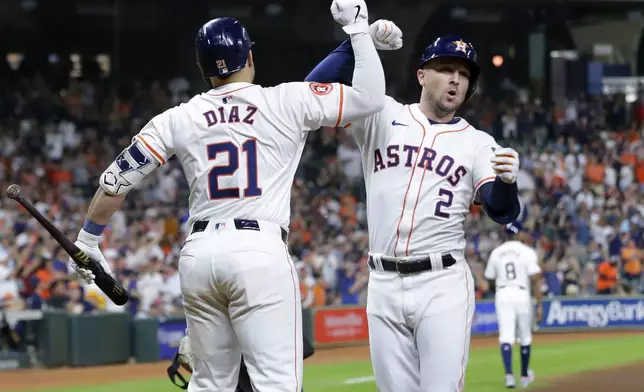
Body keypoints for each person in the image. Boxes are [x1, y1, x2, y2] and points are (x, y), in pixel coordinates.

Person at [67, 0, 386, 390]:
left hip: (200, 256)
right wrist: (358, 31)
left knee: (210, 384)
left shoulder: (177, 117)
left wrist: (88, 239)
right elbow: (369, 99)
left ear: (203, 69)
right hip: (258, 250)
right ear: (249, 56)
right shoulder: (284, 101)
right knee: (277, 383)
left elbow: (114, 181)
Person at [305, 29, 522, 391]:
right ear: (422, 75)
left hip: (442, 283)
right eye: (447, 68)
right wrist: (359, 42)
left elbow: (501, 211)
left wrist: (507, 182)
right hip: (383, 284)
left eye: (465, 74)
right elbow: (310, 92)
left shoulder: (479, 144)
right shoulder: (381, 114)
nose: (456, 79)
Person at [484, 221, 543, 388]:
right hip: (522, 292)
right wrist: (539, 304)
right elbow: (535, 278)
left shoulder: (496, 252)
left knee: (506, 336)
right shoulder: (527, 251)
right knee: (525, 336)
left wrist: (497, 288)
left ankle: (509, 376)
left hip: (503, 293)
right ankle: (524, 376)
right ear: (519, 234)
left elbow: (489, 278)